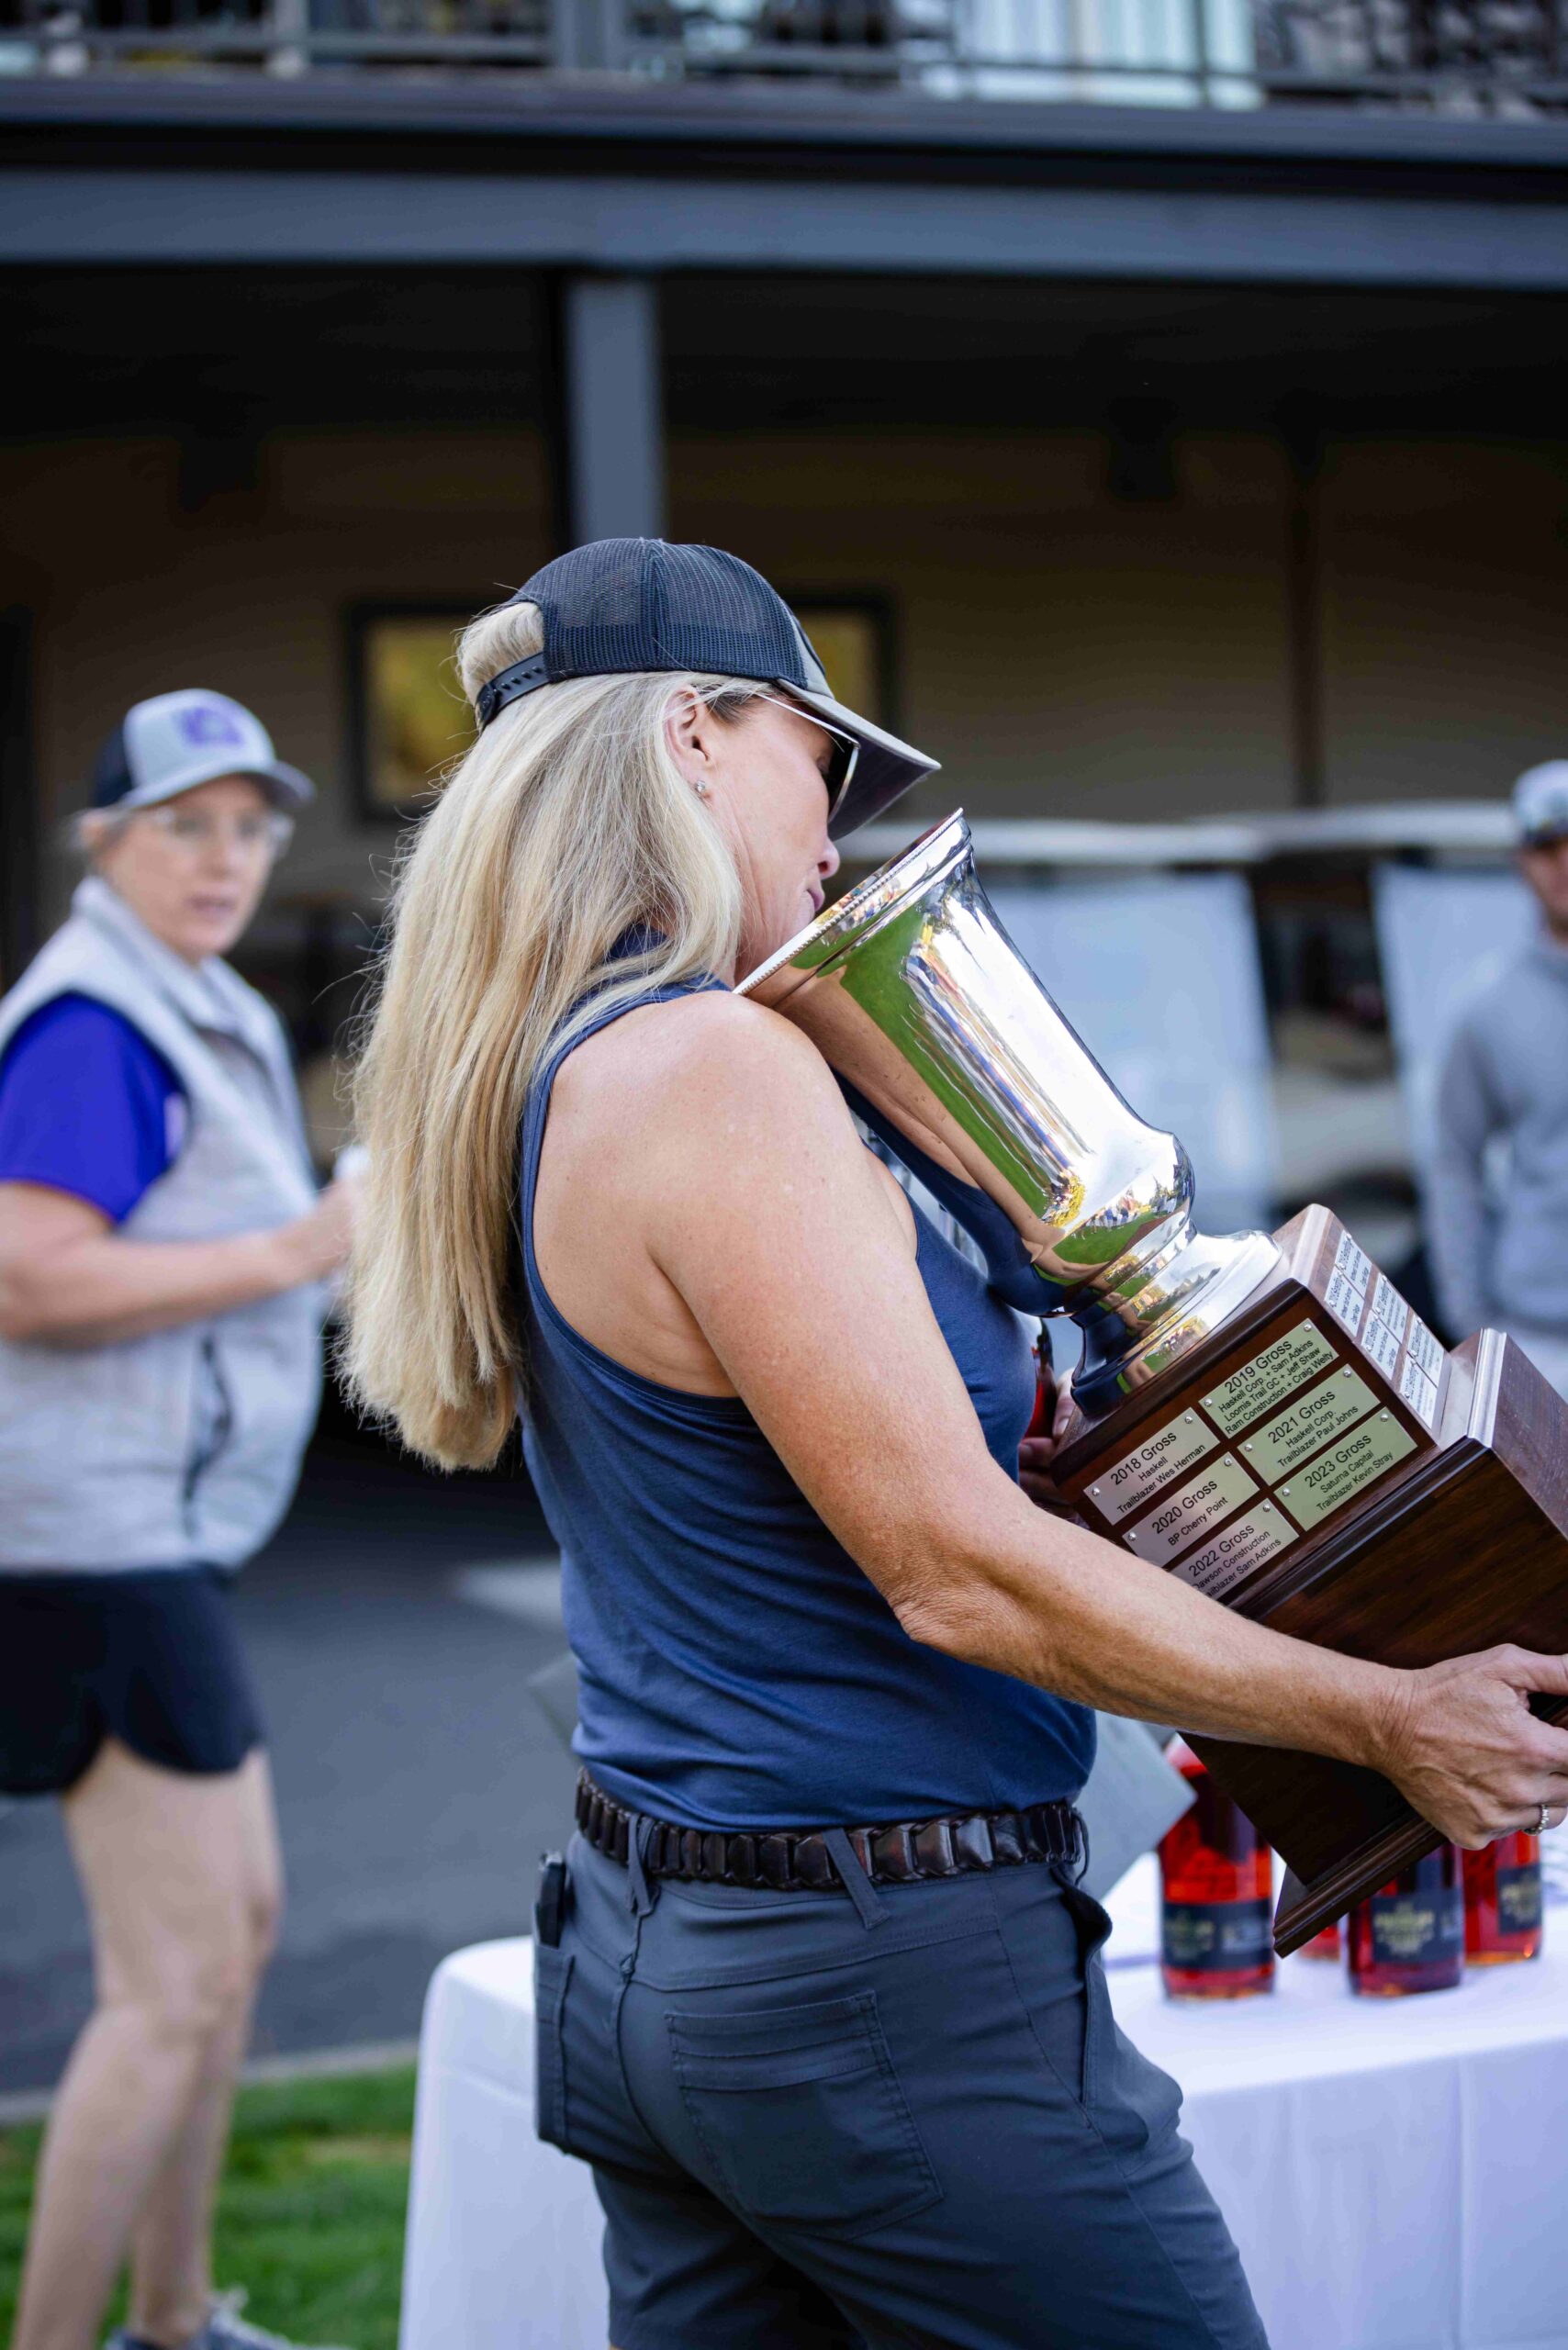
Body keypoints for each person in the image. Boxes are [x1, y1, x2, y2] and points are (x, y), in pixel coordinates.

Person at [345, 540, 1568, 2350]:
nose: (834, 834)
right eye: (817, 760)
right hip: (877, 1980)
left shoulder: (554, 1064)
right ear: (690, 736)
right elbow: (947, 1572)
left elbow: (822, 1506)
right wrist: (1382, 1715)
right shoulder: (709, 1067)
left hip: (659, 1936)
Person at [0, 691, 357, 2350]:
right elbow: (30, 1277)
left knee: (234, 1937)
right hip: (91, 1547)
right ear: (104, 845)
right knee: (170, 1982)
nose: (223, 859)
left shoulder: (182, 1002)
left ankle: (173, 2319)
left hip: (154, 1540)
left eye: (247, 828)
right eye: (182, 827)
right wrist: (304, 1249)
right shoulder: (96, 1025)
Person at [1429, 760, 1568, 1396]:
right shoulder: (1489, 1010)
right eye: (1545, 846)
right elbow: (1453, 1161)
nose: (1563, 863)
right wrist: (1472, 1323)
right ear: (1520, 860)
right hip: (1542, 1341)